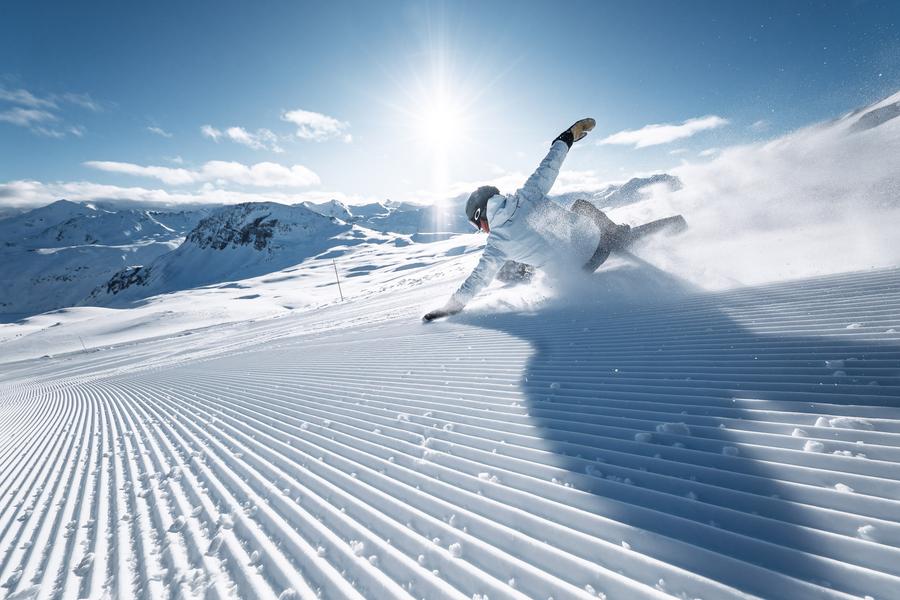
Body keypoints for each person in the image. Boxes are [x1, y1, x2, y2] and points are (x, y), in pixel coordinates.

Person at [423, 118, 630, 322]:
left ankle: (614, 237)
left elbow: (477, 280)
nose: (482, 230)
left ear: (481, 214)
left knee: (510, 266)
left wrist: (451, 307)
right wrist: (565, 138)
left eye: (477, 225)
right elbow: (550, 164)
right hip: (597, 245)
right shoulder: (529, 193)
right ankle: (616, 234)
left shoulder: (497, 244)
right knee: (580, 205)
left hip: (578, 272)